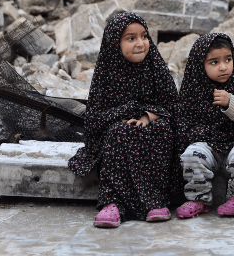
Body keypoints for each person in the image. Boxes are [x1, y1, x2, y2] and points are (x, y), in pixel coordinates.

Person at [68, 12, 177, 228]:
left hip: (150, 134)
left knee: (163, 128)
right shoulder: (106, 73)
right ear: (114, 42)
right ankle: (113, 203)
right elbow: (94, 121)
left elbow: (173, 106)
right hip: (115, 141)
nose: (140, 44)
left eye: (144, 36)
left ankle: (155, 201)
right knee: (120, 131)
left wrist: (148, 116)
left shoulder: (155, 67)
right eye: (131, 38)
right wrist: (127, 113)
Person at [174, 33, 234, 219]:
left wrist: (231, 103)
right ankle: (198, 198)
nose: (223, 67)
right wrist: (198, 137)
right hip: (207, 144)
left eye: (228, 59)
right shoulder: (194, 88)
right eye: (214, 62)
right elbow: (185, 122)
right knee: (191, 155)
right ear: (200, 65)